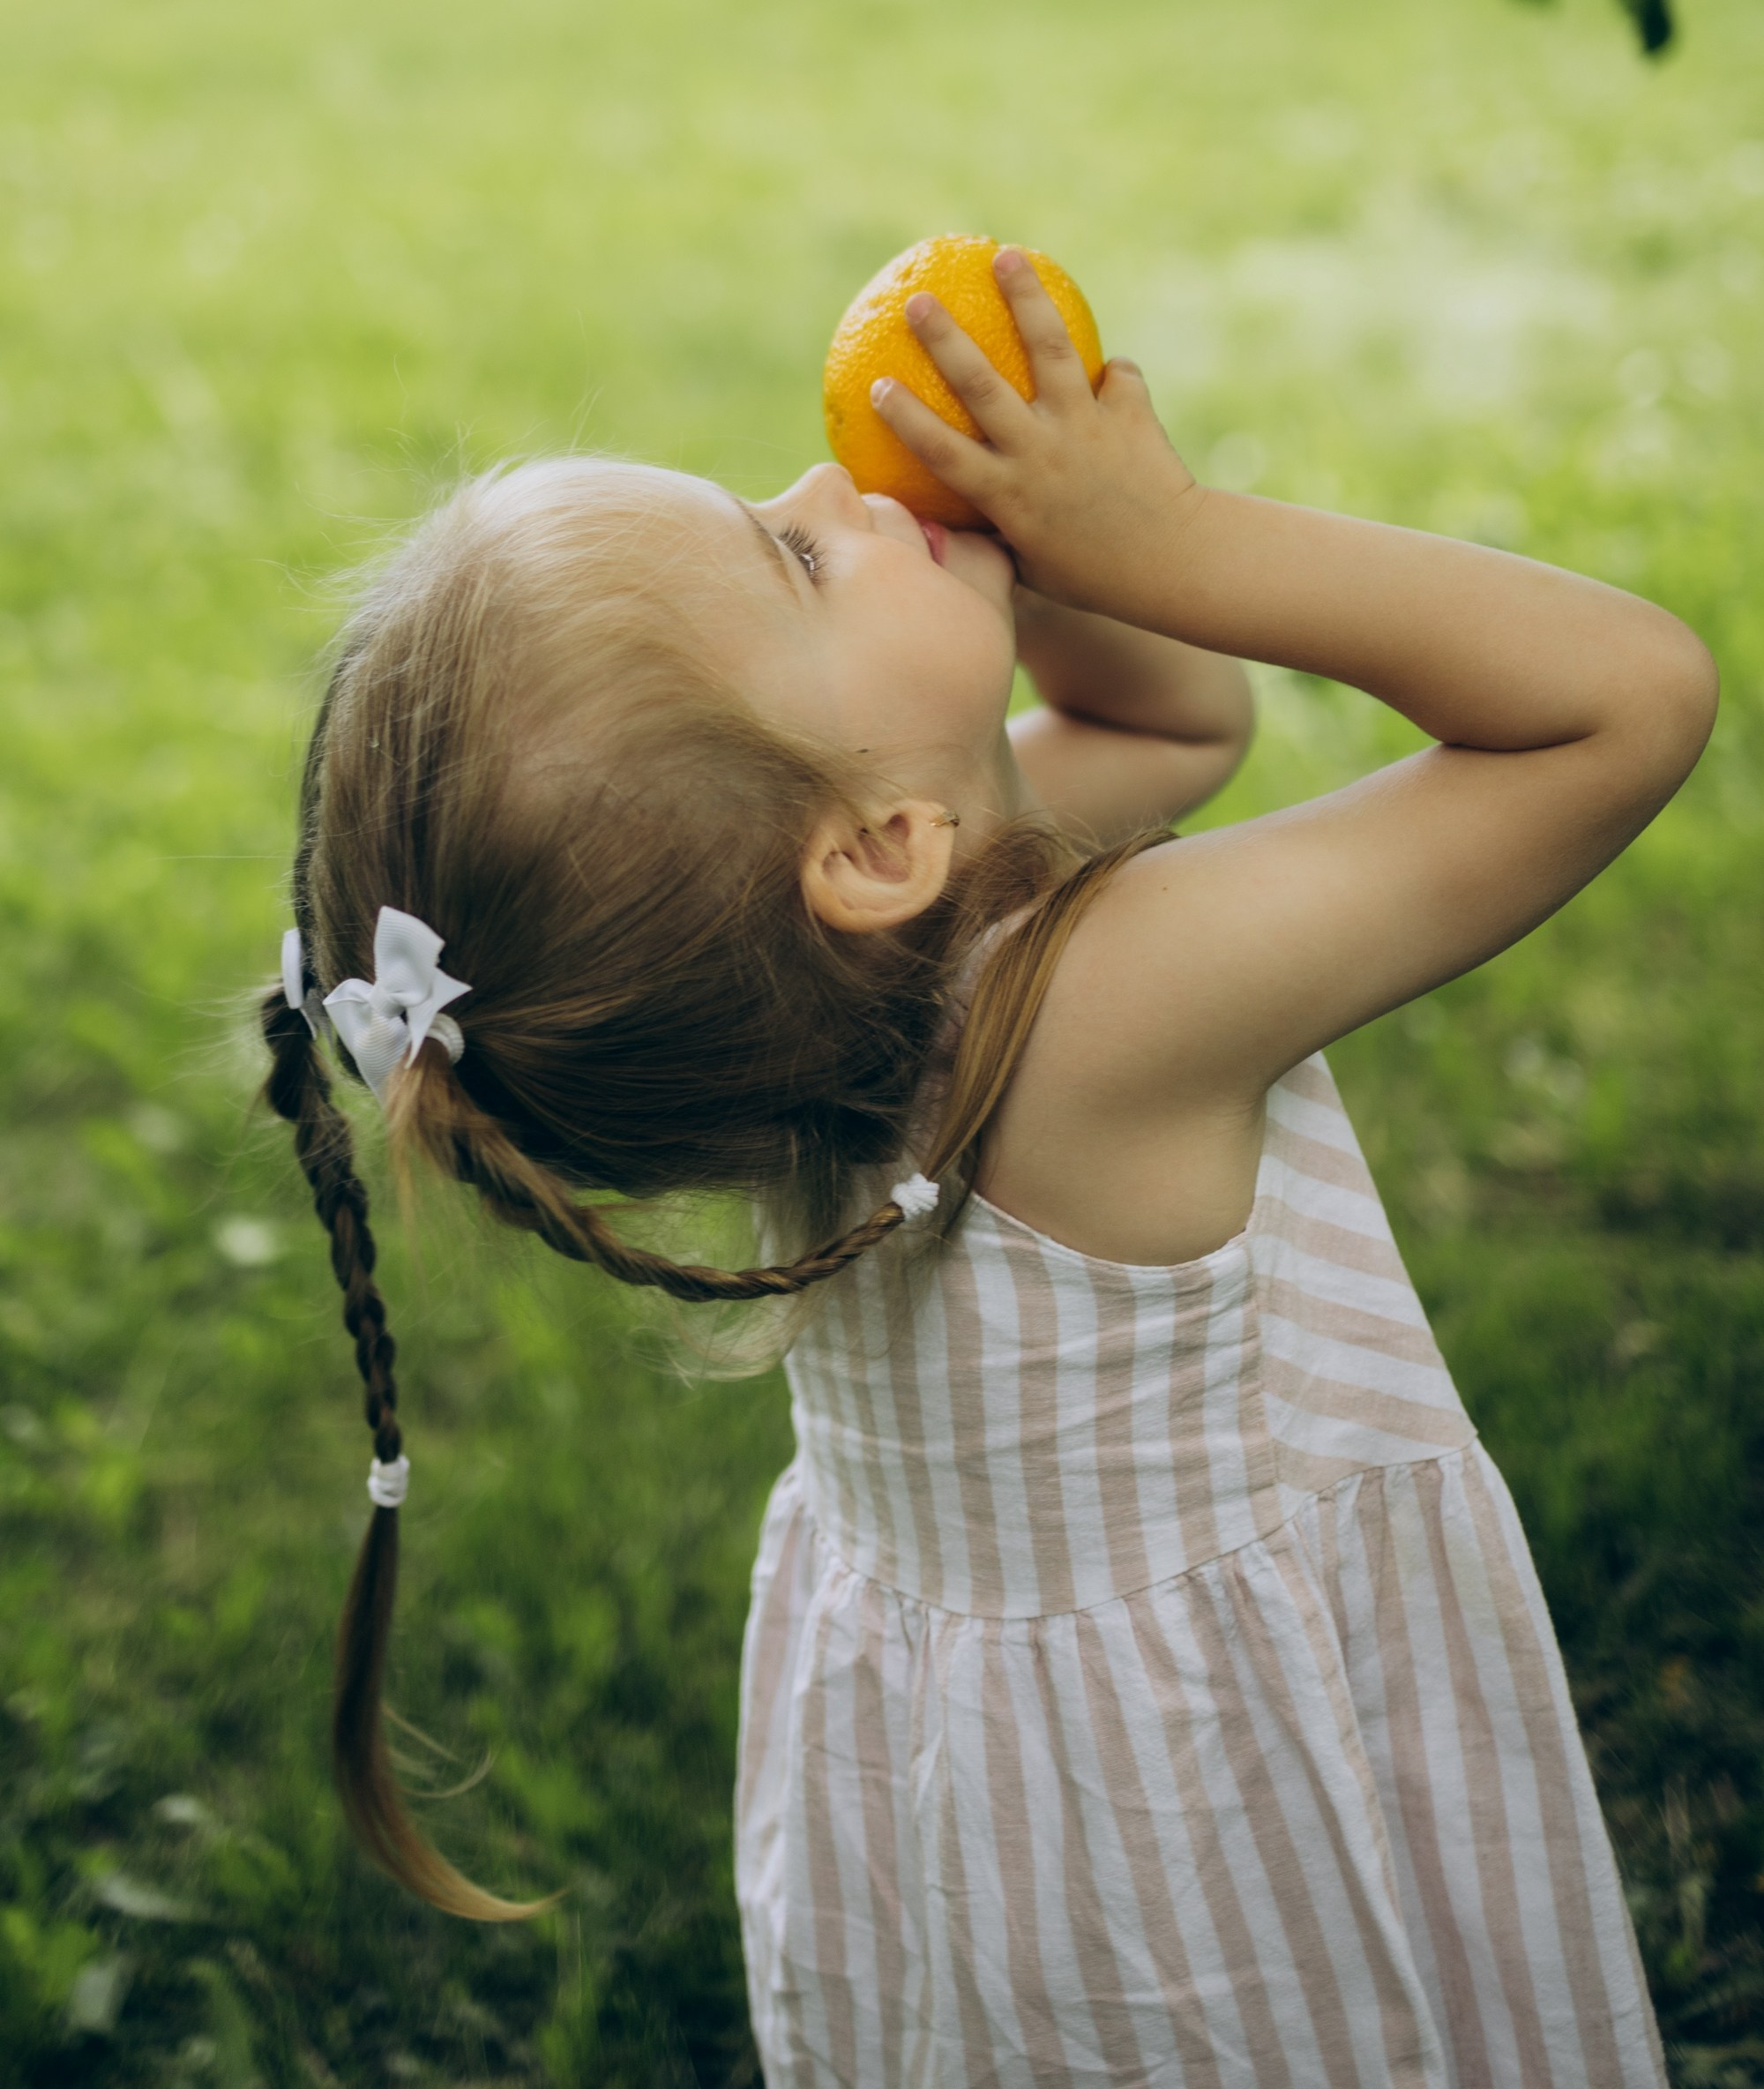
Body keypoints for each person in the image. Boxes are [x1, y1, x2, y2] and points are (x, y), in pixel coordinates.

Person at [263, 249, 1712, 2085]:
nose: (818, 488)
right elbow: (1623, 701)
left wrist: (1038, 545)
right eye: (791, 557)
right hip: (1207, 1816)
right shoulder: (1100, 1009)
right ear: (874, 844)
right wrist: (1173, 538)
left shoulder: (820, 989)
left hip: (998, 1804)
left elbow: (1166, 735)